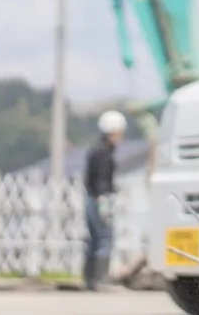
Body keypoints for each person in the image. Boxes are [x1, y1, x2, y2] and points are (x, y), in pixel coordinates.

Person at [83, 109, 126, 291]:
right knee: (104, 239)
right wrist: (103, 199)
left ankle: (90, 280)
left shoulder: (95, 149)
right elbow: (100, 178)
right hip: (100, 198)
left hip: (91, 198)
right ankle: (101, 280)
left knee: (94, 240)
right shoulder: (104, 152)